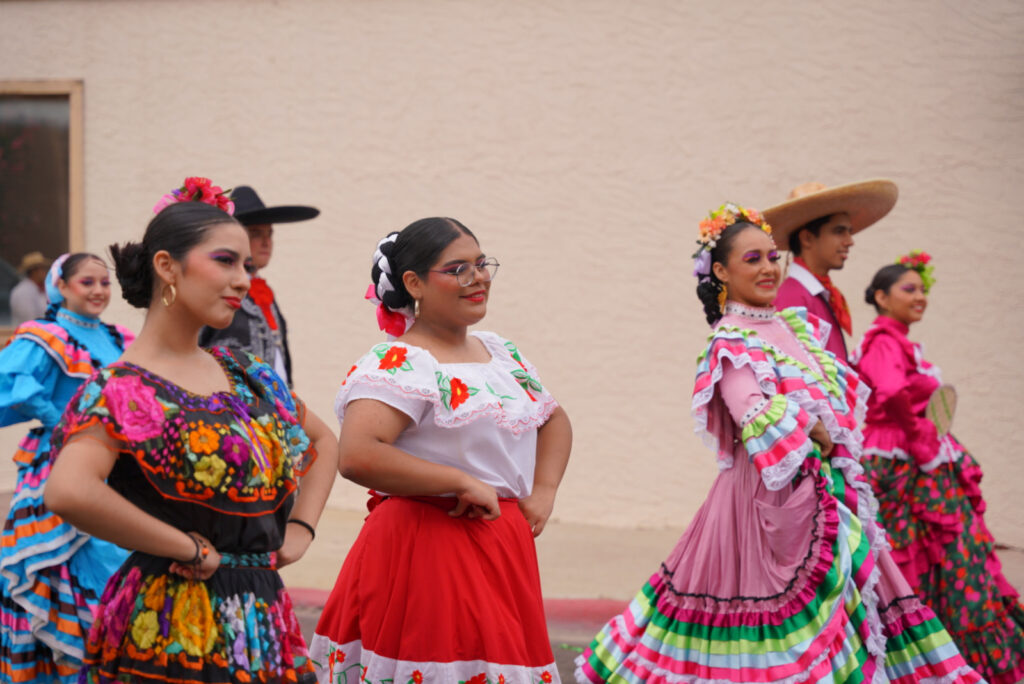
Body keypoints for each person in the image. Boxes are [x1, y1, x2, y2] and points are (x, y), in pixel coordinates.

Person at [576, 204, 983, 682]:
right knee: (776, 628)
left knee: (853, 615)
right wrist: (813, 427)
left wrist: (826, 435)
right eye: (753, 260)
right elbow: (749, 408)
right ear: (722, 271)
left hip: (823, 495)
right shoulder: (729, 338)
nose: (769, 267)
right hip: (764, 501)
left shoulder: (792, 328)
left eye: (772, 256)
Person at [43, 184, 337, 684]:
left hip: (264, 618)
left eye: (246, 265)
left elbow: (326, 443)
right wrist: (188, 548)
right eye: (225, 261)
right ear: (167, 267)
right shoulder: (121, 389)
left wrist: (300, 530)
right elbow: (69, 491)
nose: (242, 280)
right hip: (172, 620)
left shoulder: (246, 372)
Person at [309, 218, 572, 683]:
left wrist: (545, 490)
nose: (478, 278)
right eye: (457, 268)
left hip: (501, 545)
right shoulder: (400, 362)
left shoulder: (501, 353)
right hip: (428, 547)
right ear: (414, 283)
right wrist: (460, 481)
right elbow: (358, 454)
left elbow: (553, 420)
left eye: (481, 263)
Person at [851, 251, 1024, 682]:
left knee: (938, 555)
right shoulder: (884, 341)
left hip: (910, 455)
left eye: (923, 289)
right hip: (903, 462)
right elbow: (890, 392)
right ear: (880, 296)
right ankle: (928, 656)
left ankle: (940, 653)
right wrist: (920, 438)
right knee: (924, 555)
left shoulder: (898, 340)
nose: (920, 296)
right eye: (909, 289)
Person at [0, 252, 133, 683]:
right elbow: (17, 384)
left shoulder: (120, 339)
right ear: (61, 286)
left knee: (120, 564)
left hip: (118, 470)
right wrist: (65, 421)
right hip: (59, 468)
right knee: (65, 568)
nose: (98, 291)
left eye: (104, 283)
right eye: (86, 282)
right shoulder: (47, 336)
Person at [199, 184, 319, 387]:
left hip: (273, 409)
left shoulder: (264, 292)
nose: (266, 241)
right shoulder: (216, 289)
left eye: (269, 233)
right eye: (255, 233)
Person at [767, 179, 898, 359]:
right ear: (807, 238)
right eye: (839, 231)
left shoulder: (813, 293)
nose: (849, 241)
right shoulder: (793, 298)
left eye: (849, 232)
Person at [9, 251, 52, 325]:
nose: (45, 272)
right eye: (43, 269)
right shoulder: (23, 292)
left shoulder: (40, 289)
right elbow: (29, 320)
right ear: (35, 271)